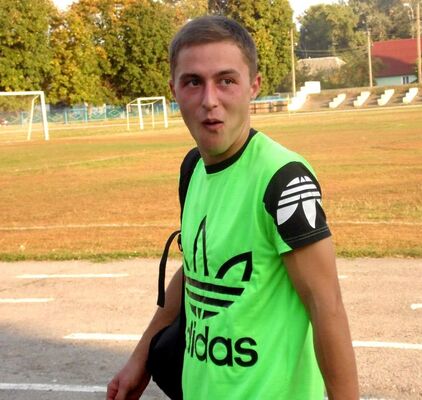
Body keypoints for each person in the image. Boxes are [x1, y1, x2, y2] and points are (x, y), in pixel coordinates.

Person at [107, 15, 359, 400]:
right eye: (193, 82)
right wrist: (140, 357)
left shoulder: (283, 179)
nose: (210, 100)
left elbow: (327, 307)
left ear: (253, 85)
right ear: (174, 89)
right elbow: (195, 272)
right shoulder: (193, 168)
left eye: (226, 81)